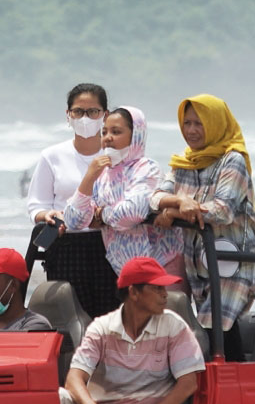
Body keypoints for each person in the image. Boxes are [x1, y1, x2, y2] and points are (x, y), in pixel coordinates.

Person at [58, 257, 206, 404]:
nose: (165, 294)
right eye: (157, 288)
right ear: (134, 293)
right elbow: (74, 379)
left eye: (164, 288)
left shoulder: (174, 327)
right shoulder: (101, 328)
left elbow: (189, 384)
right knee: (50, 400)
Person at [151, 95, 255, 361]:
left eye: (199, 123)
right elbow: (155, 198)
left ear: (215, 123)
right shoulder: (183, 162)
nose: (191, 130)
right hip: (197, 262)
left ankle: (231, 388)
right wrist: (177, 202)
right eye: (187, 123)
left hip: (231, 259)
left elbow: (222, 210)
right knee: (209, 332)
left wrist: (175, 210)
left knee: (217, 326)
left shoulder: (232, 160)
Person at [26, 82, 118, 317]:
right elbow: (37, 204)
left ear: (105, 115)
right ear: (68, 115)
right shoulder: (52, 156)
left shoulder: (117, 156)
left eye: (93, 112)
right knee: (70, 317)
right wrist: (45, 215)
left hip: (111, 243)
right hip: (66, 245)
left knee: (111, 316)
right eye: (78, 112)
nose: (85, 118)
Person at [64, 105, 183, 282]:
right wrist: (89, 178)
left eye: (116, 132)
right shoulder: (102, 174)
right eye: (104, 132)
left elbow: (131, 213)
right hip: (126, 271)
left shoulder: (147, 168)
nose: (108, 138)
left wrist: (102, 214)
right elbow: (74, 220)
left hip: (162, 264)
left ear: (135, 135)